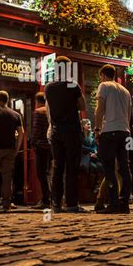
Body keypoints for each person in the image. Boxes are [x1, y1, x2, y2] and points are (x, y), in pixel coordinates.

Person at [45, 56, 86, 213]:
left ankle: (55, 203)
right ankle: (71, 204)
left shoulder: (48, 87)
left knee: (57, 167)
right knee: (71, 168)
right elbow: (82, 106)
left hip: (56, 132)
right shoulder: (72, 85)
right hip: (71, 131)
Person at [94, 64, 132, 213]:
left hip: (109, 130)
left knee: (109, 168)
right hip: (124, 132)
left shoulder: (104, 86)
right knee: (124, 168)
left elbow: (100, 109)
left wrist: (97, 129)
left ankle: (113, 203)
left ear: (103, 74)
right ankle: (124, 203)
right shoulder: (126, 91)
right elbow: (129, 114)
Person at [32, 92, 51, 209]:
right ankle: (51, 198)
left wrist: (33, 142)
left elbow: (36, 131)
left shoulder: (39, 112)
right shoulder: (50, 111)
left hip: (41, 147)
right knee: (49, 173)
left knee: (41, 173)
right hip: (51, 146)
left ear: (37, 101)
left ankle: (45, 200)